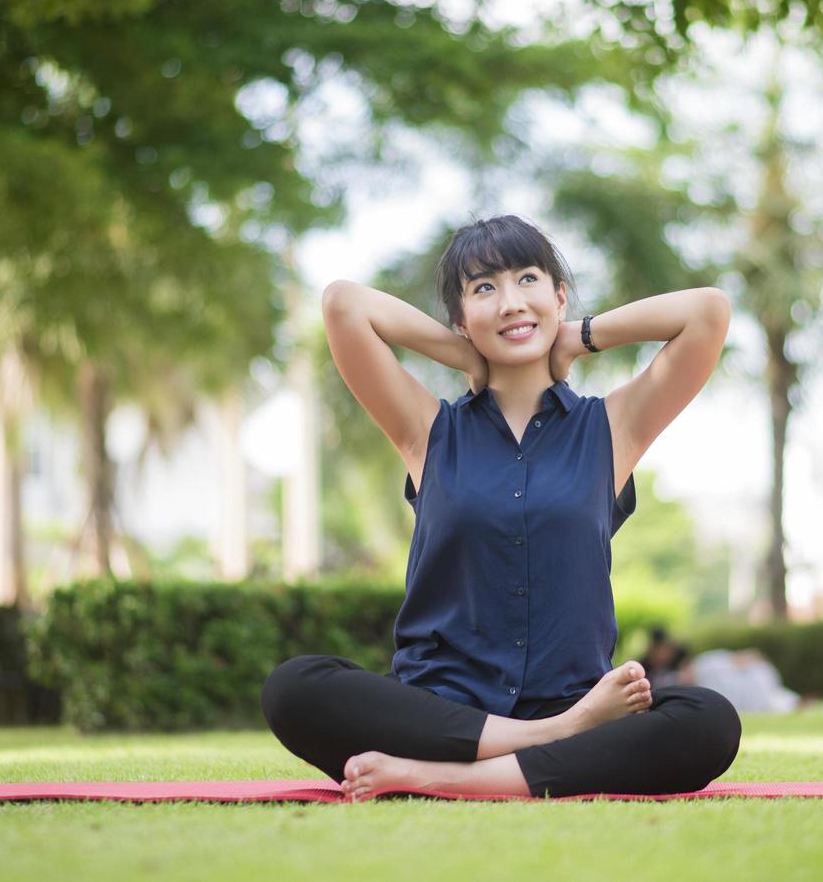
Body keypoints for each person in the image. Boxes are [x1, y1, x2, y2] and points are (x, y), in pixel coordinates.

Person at [261, 215, 740, 800]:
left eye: (529, 279)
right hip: (444, 712)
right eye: (485, 288)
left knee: (708, 720)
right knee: (296, 687)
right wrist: (465, 356)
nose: (511, 302)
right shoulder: (428, 430)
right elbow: (343, 305)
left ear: (559, 297)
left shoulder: (611, 428)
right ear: (461, 318)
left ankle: (432, 779)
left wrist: (580, 336)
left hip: (568, 696)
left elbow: (709, 311)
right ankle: (547, 741)